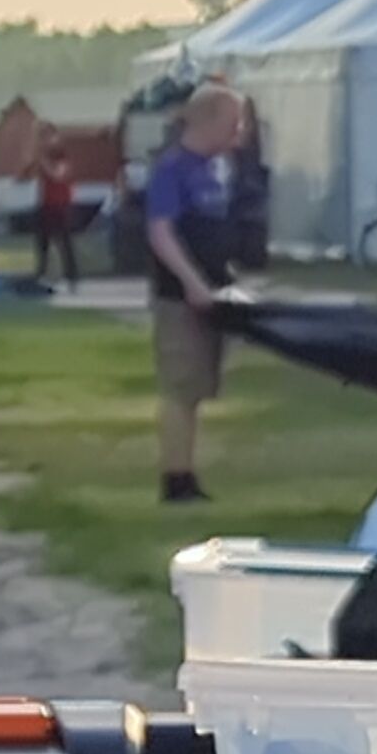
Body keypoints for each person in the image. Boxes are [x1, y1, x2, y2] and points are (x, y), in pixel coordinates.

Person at [143, 83, 246, 505]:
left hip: (213, 293)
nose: (238, 132)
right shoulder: (172, 169)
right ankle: (176, 480)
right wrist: (192, 283)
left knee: (198, 390)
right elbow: (161, 232)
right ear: (209, 120)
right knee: (180, 390)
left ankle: (188, 472)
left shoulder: (215, 169)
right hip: (180, 298)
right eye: (233, 122)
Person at [29, 135, 80, 289]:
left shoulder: (63, 161)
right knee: (42, 243)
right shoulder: (45, 161)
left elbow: (56, 175)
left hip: (61, 207)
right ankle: (41, 273)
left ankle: (72, 276)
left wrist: (43, 162)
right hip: (47, 206)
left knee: (64, 243)